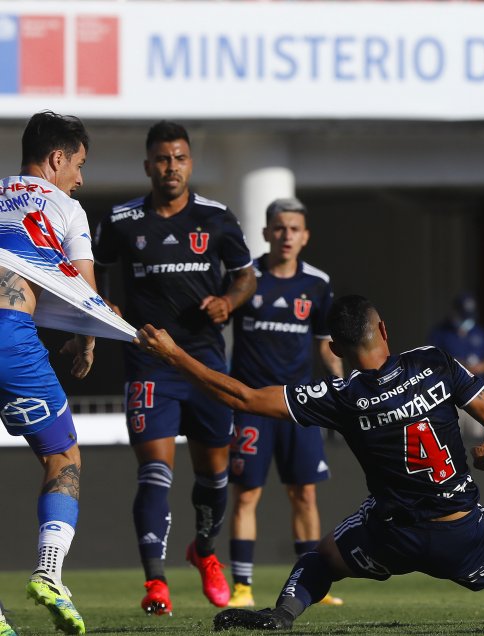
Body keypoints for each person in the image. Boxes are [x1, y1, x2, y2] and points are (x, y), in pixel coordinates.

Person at [134, 295, 484, 630]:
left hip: (390, 536)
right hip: (462, 533)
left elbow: (244, 398)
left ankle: (282, 614)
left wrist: (175, 355)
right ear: (383, 330)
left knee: (320, 558)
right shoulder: (434, 363)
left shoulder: (341, 395)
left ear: (336, 349)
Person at [92, 120, 256, 615]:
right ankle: (156, 582)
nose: (171, 167)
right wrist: (103, 304)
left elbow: (246, 277)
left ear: (190, 163)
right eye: (163, 159)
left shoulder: (217, 218)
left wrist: (228, 302)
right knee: (154, 472)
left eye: (179, 158)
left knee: (215, 476)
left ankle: (204, 551)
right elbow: (94, 268)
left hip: (205, 364)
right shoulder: (121, 220)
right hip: (149, 362)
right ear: (148, 165)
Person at [0, 111, 97, 635]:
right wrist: (86, 340)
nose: (79, 178)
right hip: (10, 337)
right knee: (63, 456)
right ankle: (49, 574)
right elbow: (86, 294)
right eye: (78, 165)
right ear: (57, 159)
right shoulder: (66, 207)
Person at [226, 197, 343, 608]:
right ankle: (242, 587)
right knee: (246, 495)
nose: (286, 235)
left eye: (294, 229)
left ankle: (313, 584)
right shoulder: (246, 278)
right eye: (279, 228)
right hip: (252, 406)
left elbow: (326, 345)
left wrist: (344, 386)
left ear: (305, 236)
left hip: (299, 406)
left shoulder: (317, 283)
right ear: (266, 232)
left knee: (304, 495)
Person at [427, 293, 484, 377]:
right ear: (454, 312)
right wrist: (458, 365)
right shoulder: (439, 332)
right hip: (452, 382)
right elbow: (430, 361)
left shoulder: (479, 331)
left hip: (477, 381)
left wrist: (482, 367)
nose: (466, 321)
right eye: (463, 317)